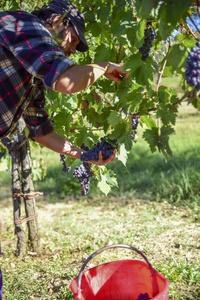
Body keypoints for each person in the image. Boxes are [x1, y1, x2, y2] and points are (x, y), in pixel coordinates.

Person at [0, 0, 129, 165]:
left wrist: (85, 155)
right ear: (56, 22)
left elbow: (40, 132)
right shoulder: (25, 23)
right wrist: (105, 67)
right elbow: (67, 82)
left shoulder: (33, 73)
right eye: (74, 39)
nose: (73, 50)